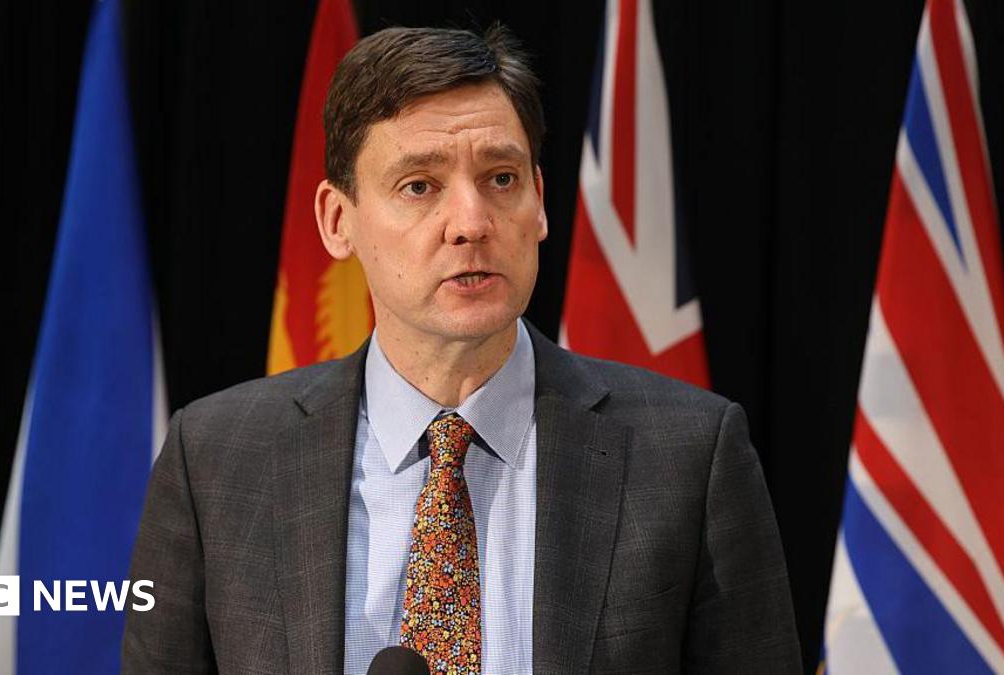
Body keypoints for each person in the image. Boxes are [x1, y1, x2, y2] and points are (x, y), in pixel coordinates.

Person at [122, 24, 800, 675]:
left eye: (501, 178)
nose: (472, 222)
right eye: (420, 186)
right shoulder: (215, 458)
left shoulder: (688, 454)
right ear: (338, 221)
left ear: (539, 201)